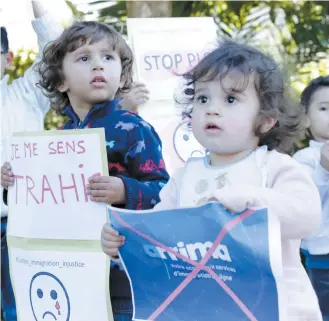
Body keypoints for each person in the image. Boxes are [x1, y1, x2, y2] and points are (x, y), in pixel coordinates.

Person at [100, 40, 323, 320]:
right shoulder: (185, 176)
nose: (211, 109)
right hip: (201, 309)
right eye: (203, 98)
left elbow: (307, 216)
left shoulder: (274, 167)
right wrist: (124, 243)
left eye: (230, 99)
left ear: (266, 120)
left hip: (276, 310)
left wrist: (251, 201)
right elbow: (157, 236)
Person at [1, 20, 169, 321]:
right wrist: (12, 184)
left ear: (122, 73)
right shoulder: (60, 139)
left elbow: (165, 194)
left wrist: (124, 190)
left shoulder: (135, 128)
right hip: (72, 275)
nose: (98, 66)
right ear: (61, 81)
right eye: (84, 58)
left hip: (125, 276)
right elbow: (43, 206)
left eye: (108, 57)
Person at [1, 3, 63, 320]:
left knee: (23, 309)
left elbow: (55, 49)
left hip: (25, 224)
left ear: (7, 58)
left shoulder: (26, 93)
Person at [293, 76, 329, 321]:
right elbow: (305, 204)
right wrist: (324, 169)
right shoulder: (304, 159)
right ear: (306, 118)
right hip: (323, 258)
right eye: (325, 108)